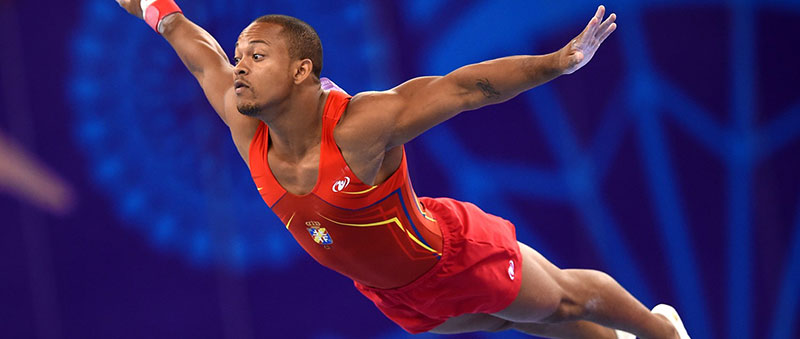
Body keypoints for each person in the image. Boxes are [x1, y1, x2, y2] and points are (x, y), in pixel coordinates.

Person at [116, 1, 690, 338]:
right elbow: (188, 40)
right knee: (519, 321)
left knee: (561, 301)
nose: (238, 65)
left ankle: (663, 330)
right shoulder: (245, 127)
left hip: (449, 260)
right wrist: (151, 8)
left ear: (302, 71)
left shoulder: (359, 128)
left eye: (257, 56)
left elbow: (463, 89)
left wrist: (557, 63)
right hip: (390, 292)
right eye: (240, 55)